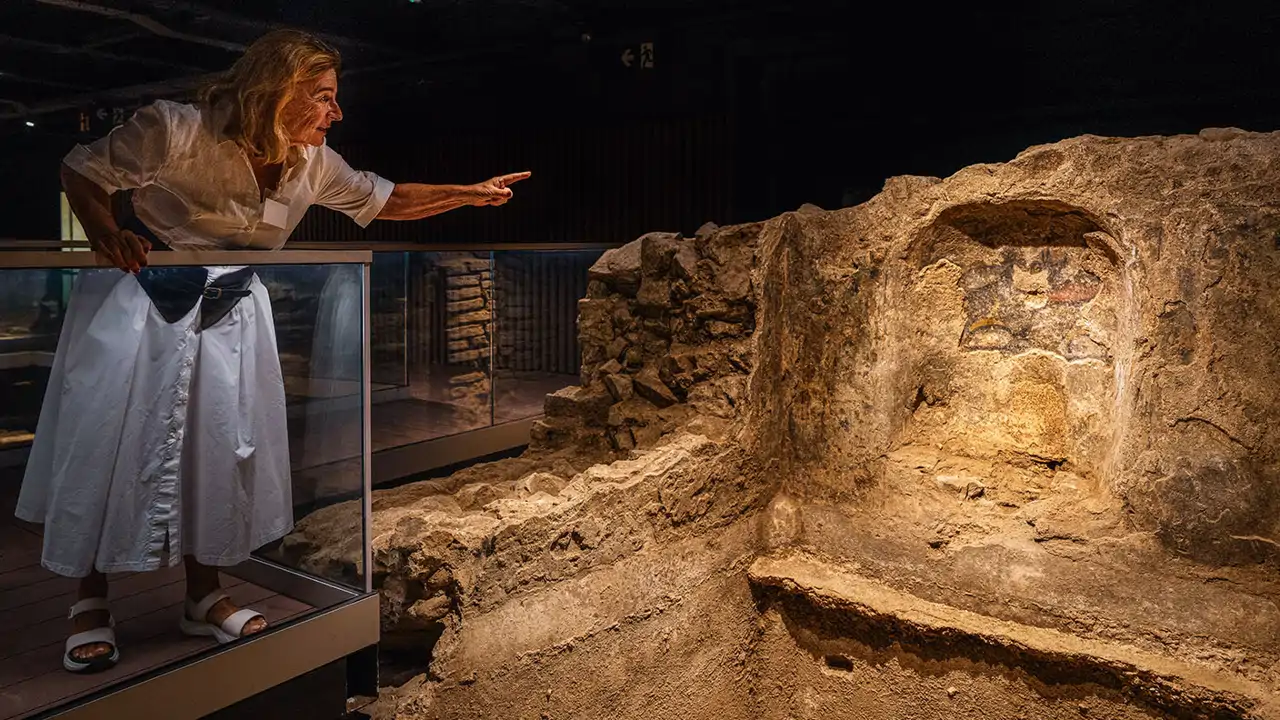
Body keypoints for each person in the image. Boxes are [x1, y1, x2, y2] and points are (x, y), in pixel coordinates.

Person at [15, 28, 530, 674]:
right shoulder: (176, 130)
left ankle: (202, 595)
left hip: (231, 314)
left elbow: (387, 197)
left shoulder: (312, 162)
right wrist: (107, 233)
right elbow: (82, 169)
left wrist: (470, 192)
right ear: (275, 89)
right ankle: (88, 599)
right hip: (143, 304)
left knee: (219, 446)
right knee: (110, 446)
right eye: (322, 97)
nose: (335, 113)